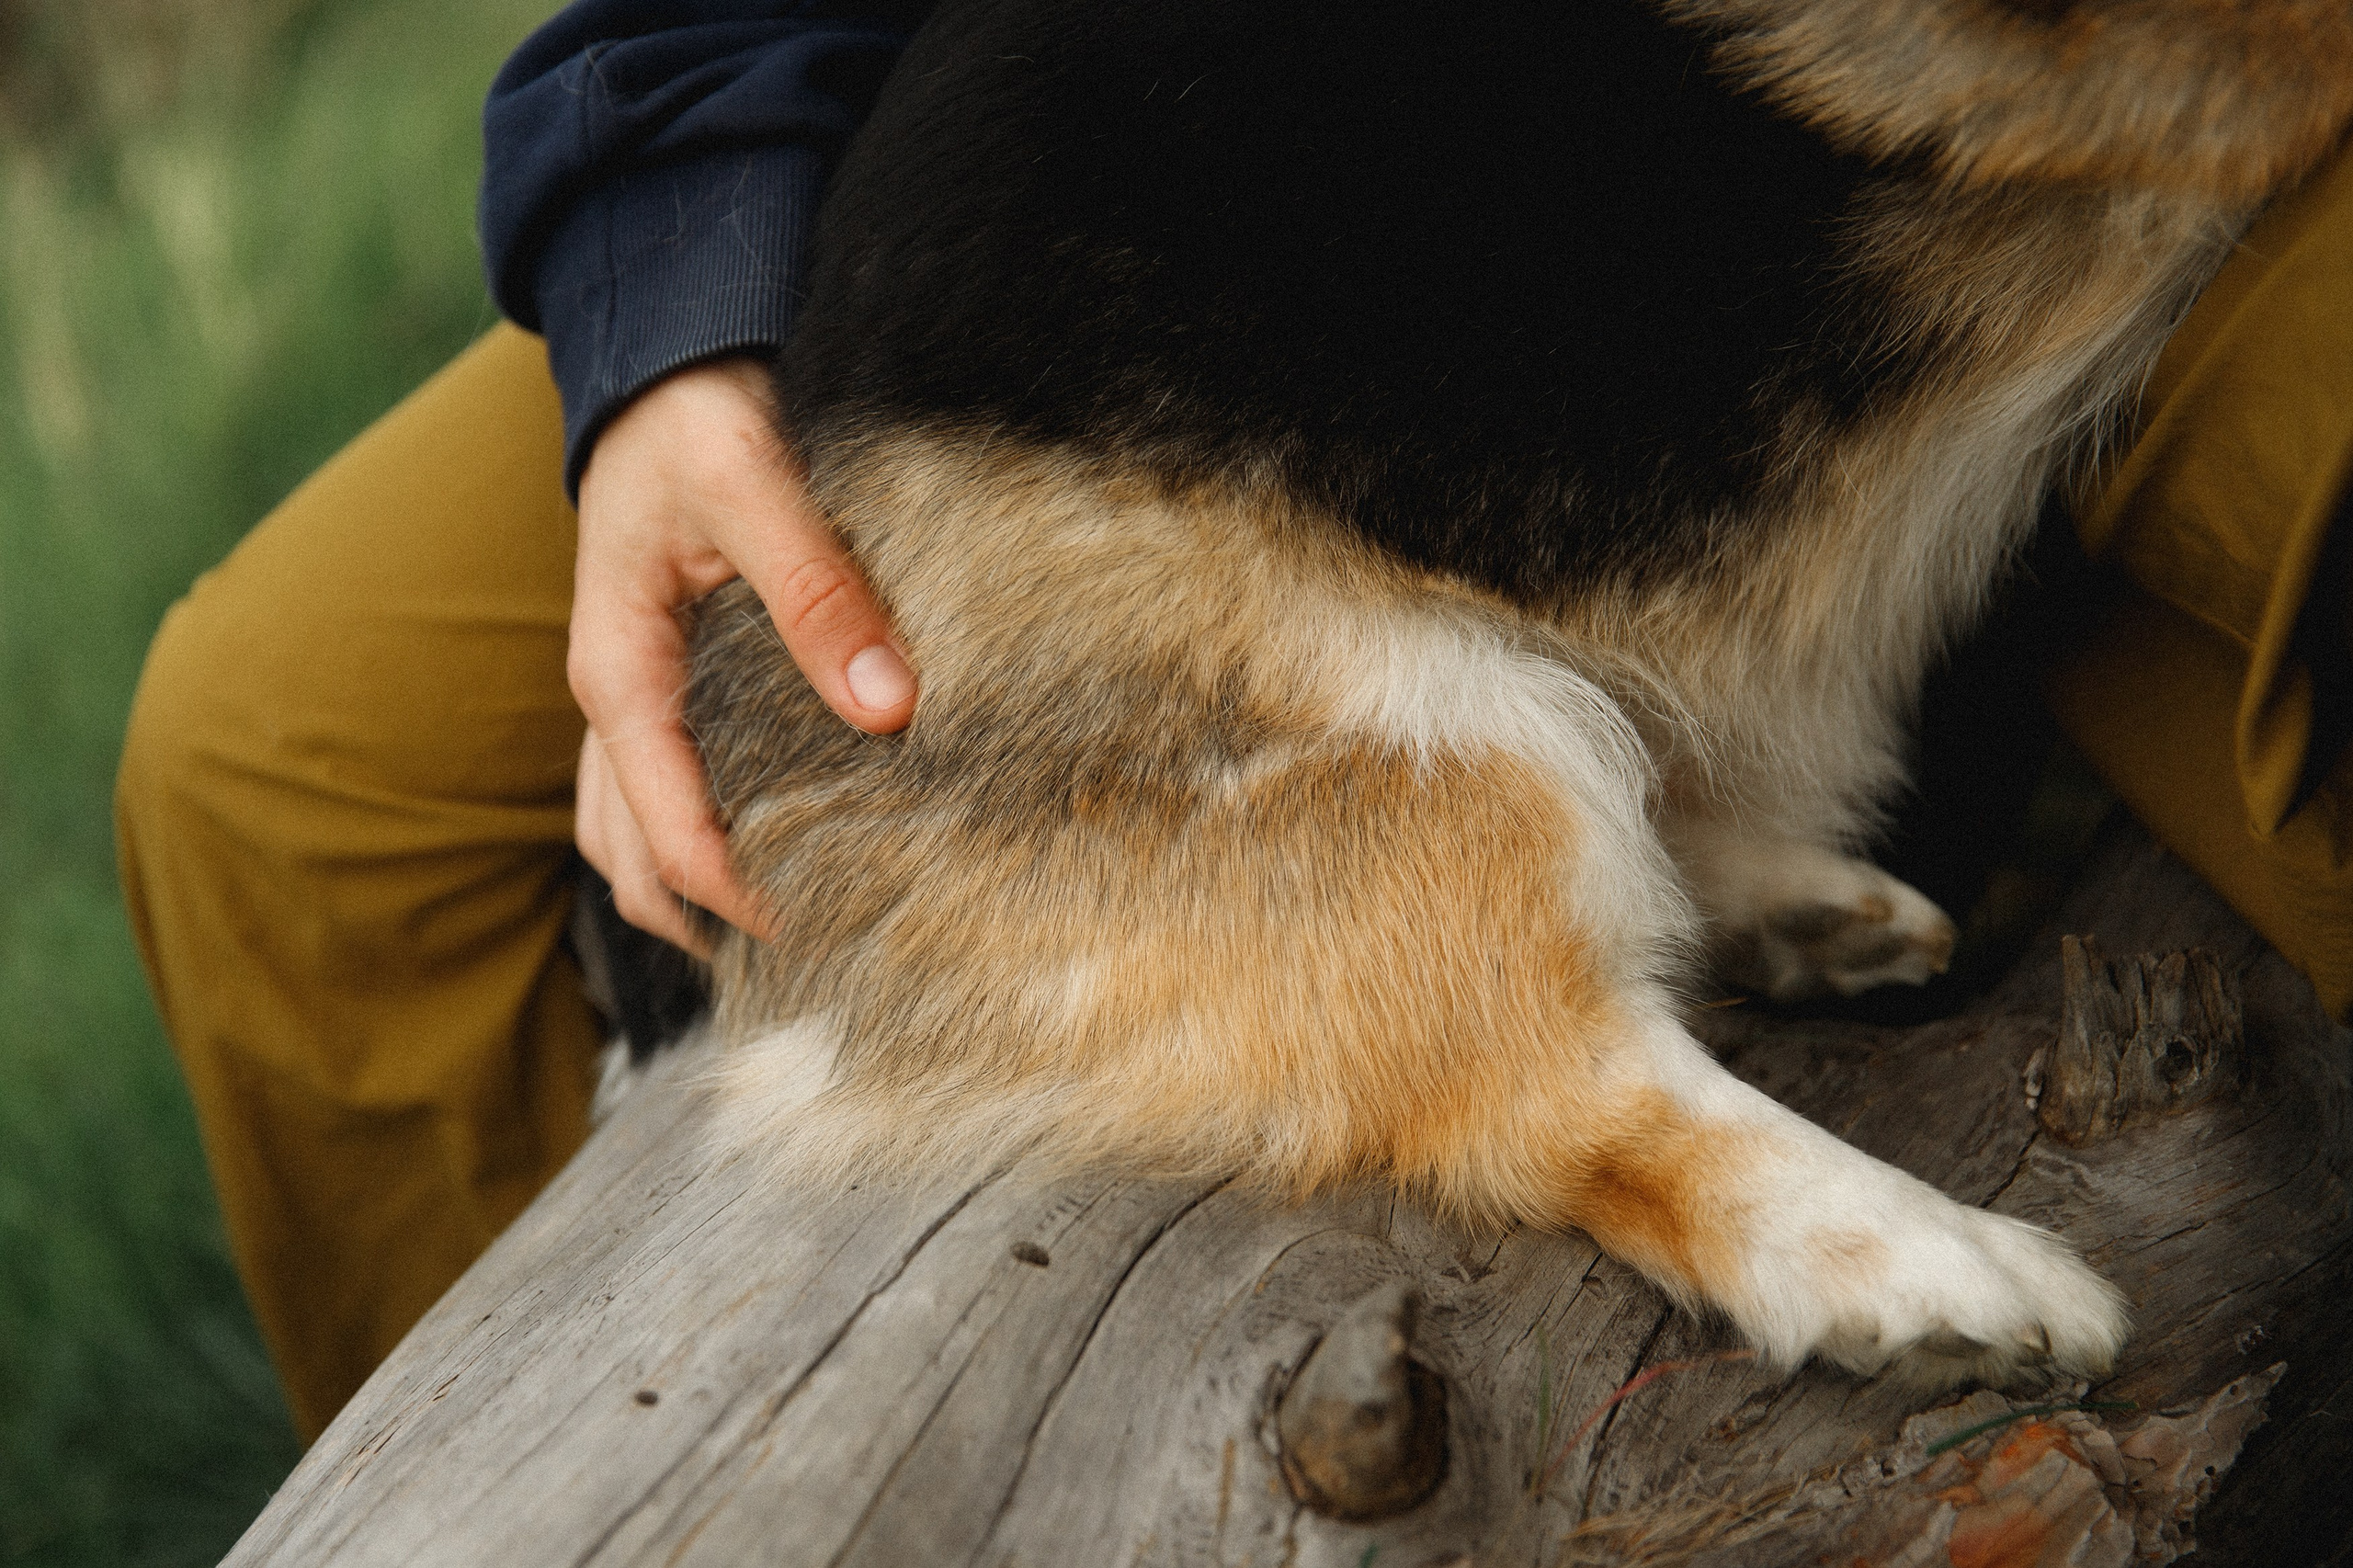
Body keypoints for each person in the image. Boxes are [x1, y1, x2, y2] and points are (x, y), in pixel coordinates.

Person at [113, 0, 2353, 1442]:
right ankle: (638, 1457)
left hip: (1966, 172)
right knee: (281, 751)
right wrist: (673, 271)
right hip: (1079, 153)